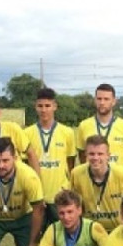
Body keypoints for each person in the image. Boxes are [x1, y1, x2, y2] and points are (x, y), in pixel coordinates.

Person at [69, 136, 123, 232]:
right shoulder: (76, 173)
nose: (96, 158)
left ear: (108, 156)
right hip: (91, 230)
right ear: (86, 155)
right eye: (92, 154)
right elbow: (73, 201)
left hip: (118, 230)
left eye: (100, 154)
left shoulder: (122, 174)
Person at [24, 88, 76, 227]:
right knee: (37, 238)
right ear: (35, 107)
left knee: (62, 237)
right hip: (36, 195)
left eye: (47, 106)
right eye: (40, 106)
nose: (44, 110)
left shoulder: (67, 132)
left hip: (59, 195)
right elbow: (25, 166)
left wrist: (68, 188)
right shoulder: (27, 133)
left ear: (54, 106)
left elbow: (70, 163)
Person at [77, 84, 123, 172]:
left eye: (106, 99)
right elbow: (82, 155)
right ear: (95, 100)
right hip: (91, 183)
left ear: (114, 101)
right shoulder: (83, 126)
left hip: (117, 184)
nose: (102, 102)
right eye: (99, 99)